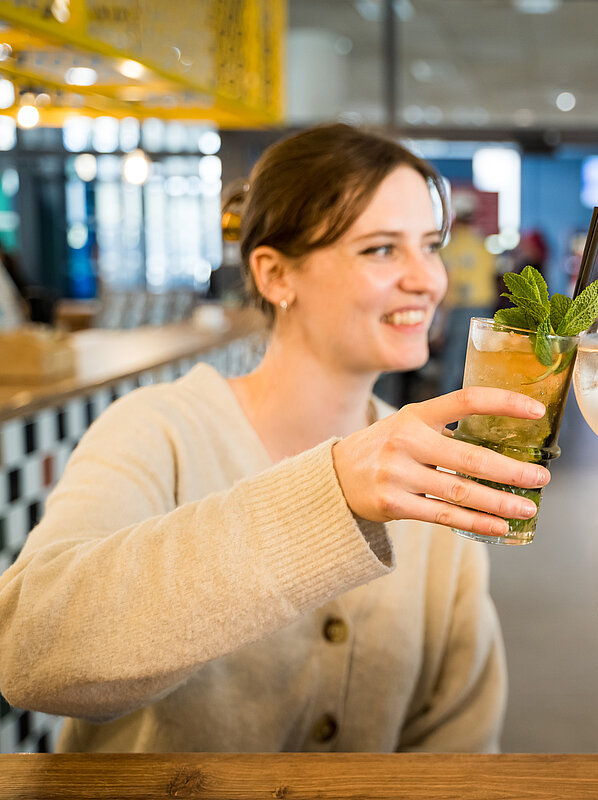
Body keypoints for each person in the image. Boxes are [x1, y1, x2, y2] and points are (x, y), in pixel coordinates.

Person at [0, 123, 554, 752]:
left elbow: (458, 741)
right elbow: (31, 654)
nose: (428, 279)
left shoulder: (435, 469)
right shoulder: (160, 430)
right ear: (274, 275)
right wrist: (333, 494)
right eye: (380, 249)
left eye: (429, 245)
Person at [437, 206, 497, 394]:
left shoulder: (451, 248)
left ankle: (448, 417)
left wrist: (441, 322)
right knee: (479, 364)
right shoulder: (482, 245)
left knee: (453, 364)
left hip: (459, 311)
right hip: (485, 311)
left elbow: (448, 286)